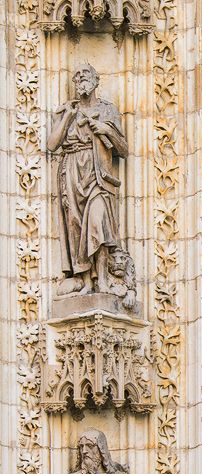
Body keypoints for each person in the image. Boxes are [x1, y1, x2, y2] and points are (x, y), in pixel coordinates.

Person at [47, 64, 132, 302]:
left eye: (85, 75)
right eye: (77, 77)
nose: (81, 80)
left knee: (98, 221)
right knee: (75, 226)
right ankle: (85, 281)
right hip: (72, 172)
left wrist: (106, 130)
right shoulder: (66, 111)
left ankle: (103, 278)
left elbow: (123, 150)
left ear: (96, 81)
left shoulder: (107, 111)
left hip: (97, 174)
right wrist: (67, 117)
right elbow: (52, 144)